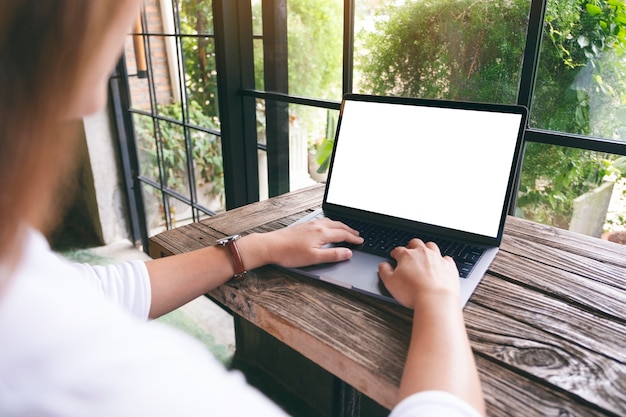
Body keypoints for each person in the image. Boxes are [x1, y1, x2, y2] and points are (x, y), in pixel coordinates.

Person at [0, 1, 485, 416]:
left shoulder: (22, 278)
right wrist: (440, 300)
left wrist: (256, 247)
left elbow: (96, 290)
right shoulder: (83, 373)